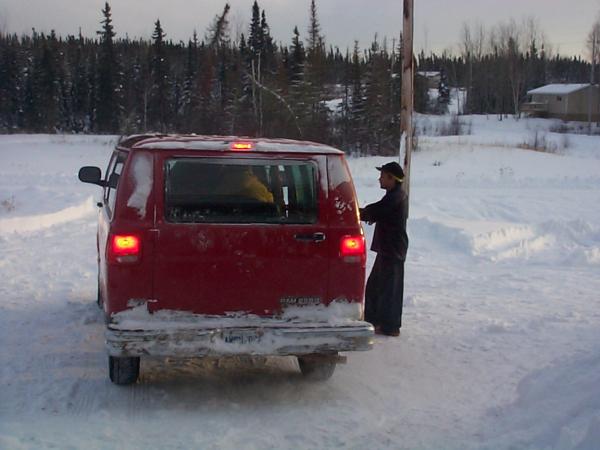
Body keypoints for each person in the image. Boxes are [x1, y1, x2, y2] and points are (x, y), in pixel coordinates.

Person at [359, 162, 409, 337]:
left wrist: (358, 213)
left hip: (393, 249)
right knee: (375, 287)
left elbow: (377, 211)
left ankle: (390, 326)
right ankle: (375, 321)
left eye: (382, 176)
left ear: (391, 179)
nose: (379, 179)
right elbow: (378, 211)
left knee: (390, 290)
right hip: (387, 249)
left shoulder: (396, 196)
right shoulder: (392, 195)